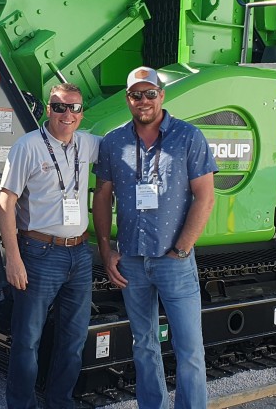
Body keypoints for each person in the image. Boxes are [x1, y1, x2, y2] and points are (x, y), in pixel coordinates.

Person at [92, 66, 217, 409]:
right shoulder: (114, 141)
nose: (143, 101)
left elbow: (205, 196)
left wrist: (183, 246)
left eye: (150, 94)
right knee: (143, 344)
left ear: (162, 96)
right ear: (127, 99)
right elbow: (102, 195)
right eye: (136, 95)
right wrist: (106, 249)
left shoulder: (188, 137)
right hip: (131, 260)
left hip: (173, 261)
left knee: (189, 348)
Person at [0, 82, 101, 409]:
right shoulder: (27, 146)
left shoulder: (87, 144)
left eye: (74, 107)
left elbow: (128, 145)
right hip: (40, 254)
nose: (66, 114)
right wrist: (12, 258)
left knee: (72, 339)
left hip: (79, 255)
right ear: (47, 109)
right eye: (59, 107)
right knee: (28, 341)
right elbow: (5, 202)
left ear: (82, 113)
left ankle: (60, 402)